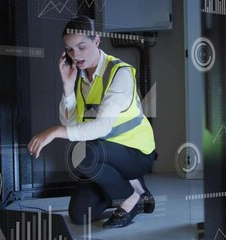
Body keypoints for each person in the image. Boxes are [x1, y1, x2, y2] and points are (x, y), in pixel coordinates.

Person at [27, 15, 157, 228]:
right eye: (69, 49)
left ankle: (133, 197)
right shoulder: (79, 77)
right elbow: (72, 123)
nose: (75, 55)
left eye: (81, 47)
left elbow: (101, 127)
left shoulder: (119, 73)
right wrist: (67, 87)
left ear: (96, 41)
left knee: (83, 153)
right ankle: (132, 188)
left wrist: (53, 131)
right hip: (105, 155)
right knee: (79, 215)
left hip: (135, 151)